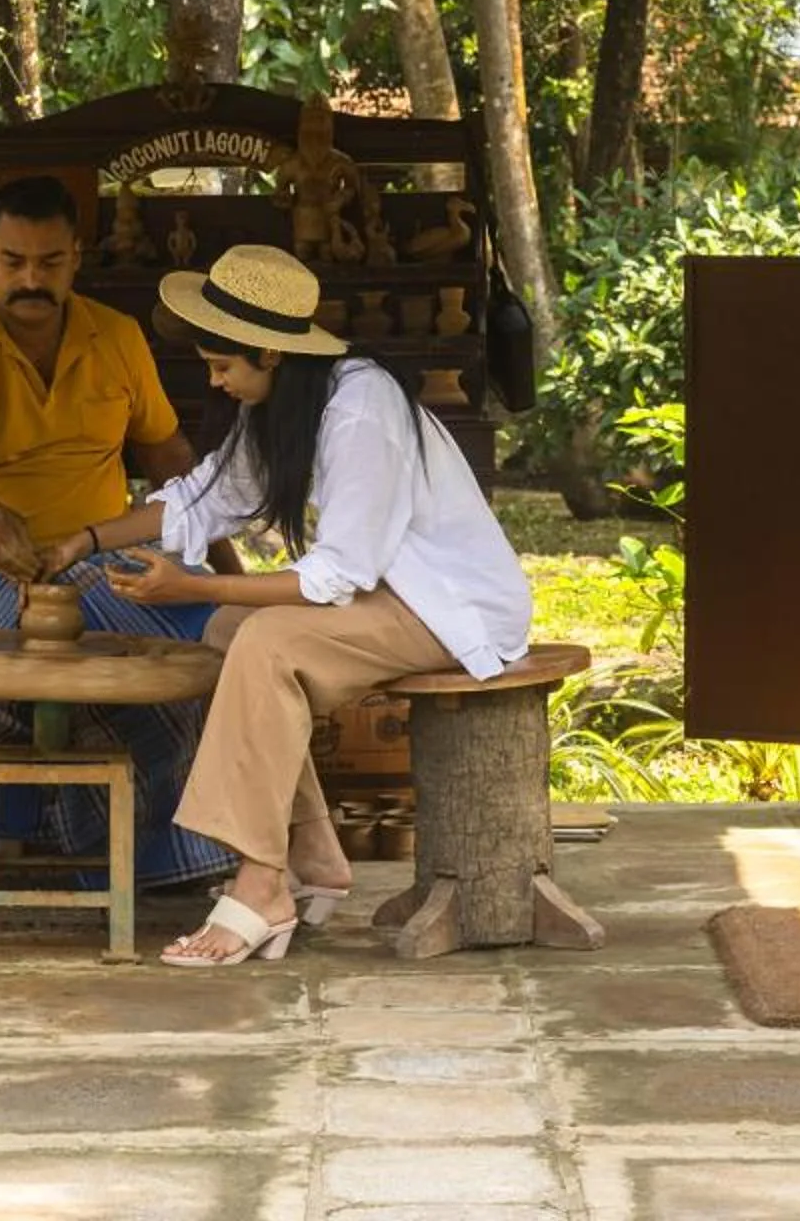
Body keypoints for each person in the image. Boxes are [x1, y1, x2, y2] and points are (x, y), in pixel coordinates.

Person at [52, 244, 532, 966]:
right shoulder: (288, 402)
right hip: (384, 596)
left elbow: (333, 575)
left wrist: (193, 584)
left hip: (448, 607)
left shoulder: (359, 410)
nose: (215, 383)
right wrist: (82, 540)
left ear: (270, 355)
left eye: (222, 366)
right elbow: (201, 499)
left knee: (266, 641)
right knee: (227, 634)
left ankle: (261, 882)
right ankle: (313, 849)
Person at [0, 175, 232, 907]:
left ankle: (165, 852)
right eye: (15, 261)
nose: (32, 279)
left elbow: (171, 465)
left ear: (76, 257)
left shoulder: (118, 338)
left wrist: (227, 573)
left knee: (208, 637)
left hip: (97, 555)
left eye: (50, 262)